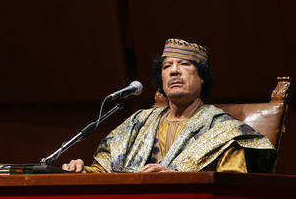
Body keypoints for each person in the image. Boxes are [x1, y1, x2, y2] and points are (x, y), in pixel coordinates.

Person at [62, 38, 276, 173]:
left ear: (202, 77)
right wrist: (83, 171)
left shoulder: (224, 131)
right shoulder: (139, 122)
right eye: (167, 66)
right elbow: (104, 173)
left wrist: (177, 180)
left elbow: (230, 186)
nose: (174, 71)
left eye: (184, 64)